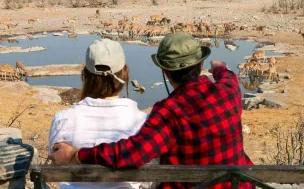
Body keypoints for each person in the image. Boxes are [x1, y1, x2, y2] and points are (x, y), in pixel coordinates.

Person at [50, 33, 254, 189]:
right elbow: (229, 77)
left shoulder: (169, 111)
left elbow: (133, 153)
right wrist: (220, 68)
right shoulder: (228, 90)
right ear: (200, 64)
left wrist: (77, 154)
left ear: (165, 71)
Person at [48, 39, 148, 189]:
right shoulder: (143, 123)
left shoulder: (63, 120)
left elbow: (56, 160)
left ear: (86, 76)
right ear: (125, 74)